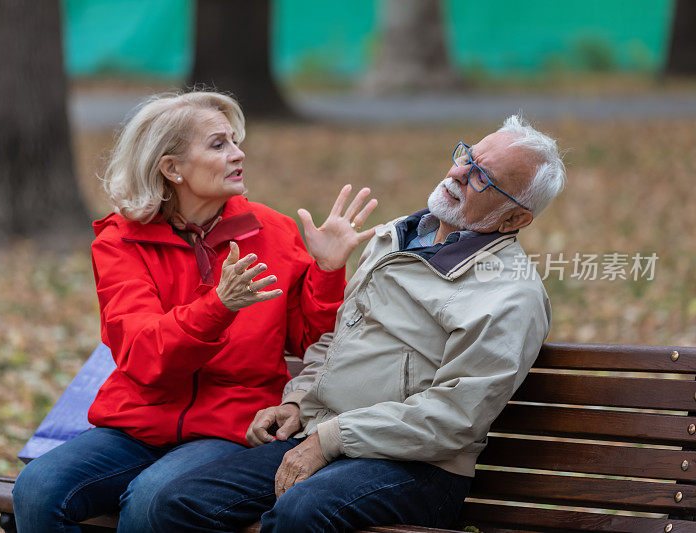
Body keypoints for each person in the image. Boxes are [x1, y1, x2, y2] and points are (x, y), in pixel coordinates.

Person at [151, 114, 567, 532]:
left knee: (301, 512)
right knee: (178, 502)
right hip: (323, 434)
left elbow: (454, 418)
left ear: (514, 220)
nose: (459, 173)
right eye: (467, 157)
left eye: (482, 177)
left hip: (418, 466)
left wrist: (331, 439)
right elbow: (338, 335)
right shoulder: (393, 237)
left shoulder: (511, 295)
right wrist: (299, 401)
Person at [11, 91, 378, 532]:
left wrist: (328, 270)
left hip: (230, 427)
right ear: (172, 168)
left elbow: (313, 342)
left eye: (235, 141)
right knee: (35, 487)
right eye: (218, 144)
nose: (239, 153)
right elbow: (146, 356)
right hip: (139, 421)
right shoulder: (120, 242)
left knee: (150, 500)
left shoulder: (274, 232)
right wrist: (219, 306)